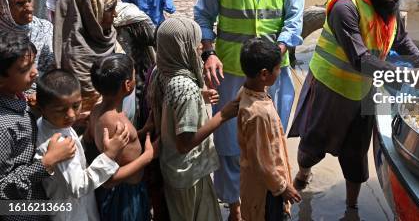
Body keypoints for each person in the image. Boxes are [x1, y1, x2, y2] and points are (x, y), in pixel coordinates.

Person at [288, 0, 419, 212]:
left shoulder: (389, 5)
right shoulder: (345, 6)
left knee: (356, 154)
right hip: (331, 86)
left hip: (365, 90)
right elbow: (361, 59)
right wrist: (404, 75)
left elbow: (401, 39)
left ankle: (351, 207)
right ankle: (303, 174)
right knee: (313, 144)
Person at [194, 0, 304, 221]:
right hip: (230, 70)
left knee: (272, 137)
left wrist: (278, 50)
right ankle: (235, 207)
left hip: (274, 74)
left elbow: (294, 16)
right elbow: (203, 15)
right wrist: (209, 52)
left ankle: (272, 196)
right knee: (229, 143)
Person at [150, 17, 239, 221]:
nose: (200, 46)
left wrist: (200, 97)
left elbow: (170, 107)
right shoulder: (185, 88)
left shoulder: (162, 70)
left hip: (172, 167)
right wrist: (223, 115)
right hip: (189, 172)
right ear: (183, 46)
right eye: (195, 41)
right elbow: (185, 143)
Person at [35, 69, 130, 221]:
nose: (71, 115)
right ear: (41, 109)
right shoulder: (57, 144)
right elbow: (78, 186)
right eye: (61, 110)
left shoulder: (48, 124)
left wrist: (82, 138)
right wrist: (109, 155)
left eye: (76, 106)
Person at [0, 31, 76, 207]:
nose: (34, 72)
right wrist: (48, 162)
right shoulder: (3, 126)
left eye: (33, 63)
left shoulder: (22, 97)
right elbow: (3, 190)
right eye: (24, 69)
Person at [238, 38, 301, 221]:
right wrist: (283, 187)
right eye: (278, 68)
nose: (279, 72)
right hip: (266, 190)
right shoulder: (258, 113)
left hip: (258, 184)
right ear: (264, 74)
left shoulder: (246, 93)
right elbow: (261, 162)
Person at [88, 53, 156, 221]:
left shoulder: (99, 110)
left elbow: (121, 145)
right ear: (127, 85)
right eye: (134, 75)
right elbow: (109, 179)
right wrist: (147, 156)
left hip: (128, 190)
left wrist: (141, 132)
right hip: (123, 195)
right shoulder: (114, 122)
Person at [54, 0, 121, 116]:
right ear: (91, 11)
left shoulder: (107, 33)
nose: (115, 14)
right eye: (109, 9)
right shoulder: (76, 55)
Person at [0, 0, 55, 80]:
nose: (29, 9)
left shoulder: (44, 28)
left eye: (30, 0)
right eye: (20, 3)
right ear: (2, 7)